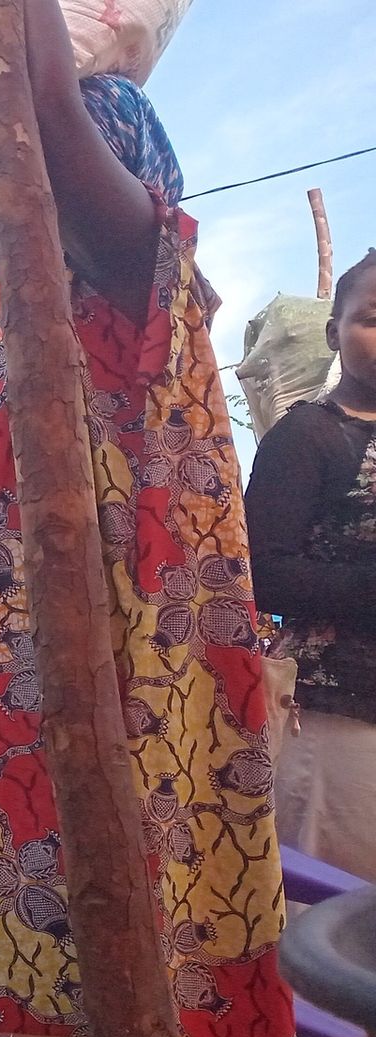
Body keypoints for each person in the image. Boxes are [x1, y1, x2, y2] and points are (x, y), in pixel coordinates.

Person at [0, 0, 376, 1037]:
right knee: (48, 970)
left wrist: (34, 68)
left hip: (115, 722)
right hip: (16, 767)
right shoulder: (6, 339)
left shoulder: (122, 299)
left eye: (18, 183)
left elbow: (67, 133)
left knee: (152, 941)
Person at [245, 248, 376, 879]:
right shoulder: (308, 436)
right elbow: (264, 571)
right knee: (335, 934)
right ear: (334, 332)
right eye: (372, 317)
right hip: (339, 720)